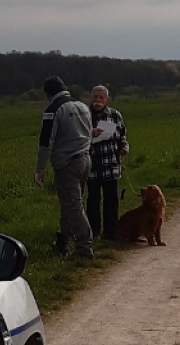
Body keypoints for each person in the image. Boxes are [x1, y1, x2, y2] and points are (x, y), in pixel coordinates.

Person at [35, 76, 94, 259]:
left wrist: (40, 168)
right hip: (85, 160)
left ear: (47, 94)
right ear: (65, 88)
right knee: (70, 204)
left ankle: (84, 248)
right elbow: (90, 133)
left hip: (67, 163)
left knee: (73, 207)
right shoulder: (83, 106)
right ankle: (62, 242)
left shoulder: (53, 110)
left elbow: (46, 142)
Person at [87, 85, 129, 240]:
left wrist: (124, 147)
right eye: (95, 97)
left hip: (110, 164)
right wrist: (90, 133)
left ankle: (111, 232)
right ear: (91, 98)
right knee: (93, 200)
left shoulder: (114, 115)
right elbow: (77, 137)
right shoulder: (84, 115)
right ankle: (93, 232)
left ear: (107, 99)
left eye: (101, 97)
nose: (98, 100)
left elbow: (122, 135)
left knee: (111, 200)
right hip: (92, 165)